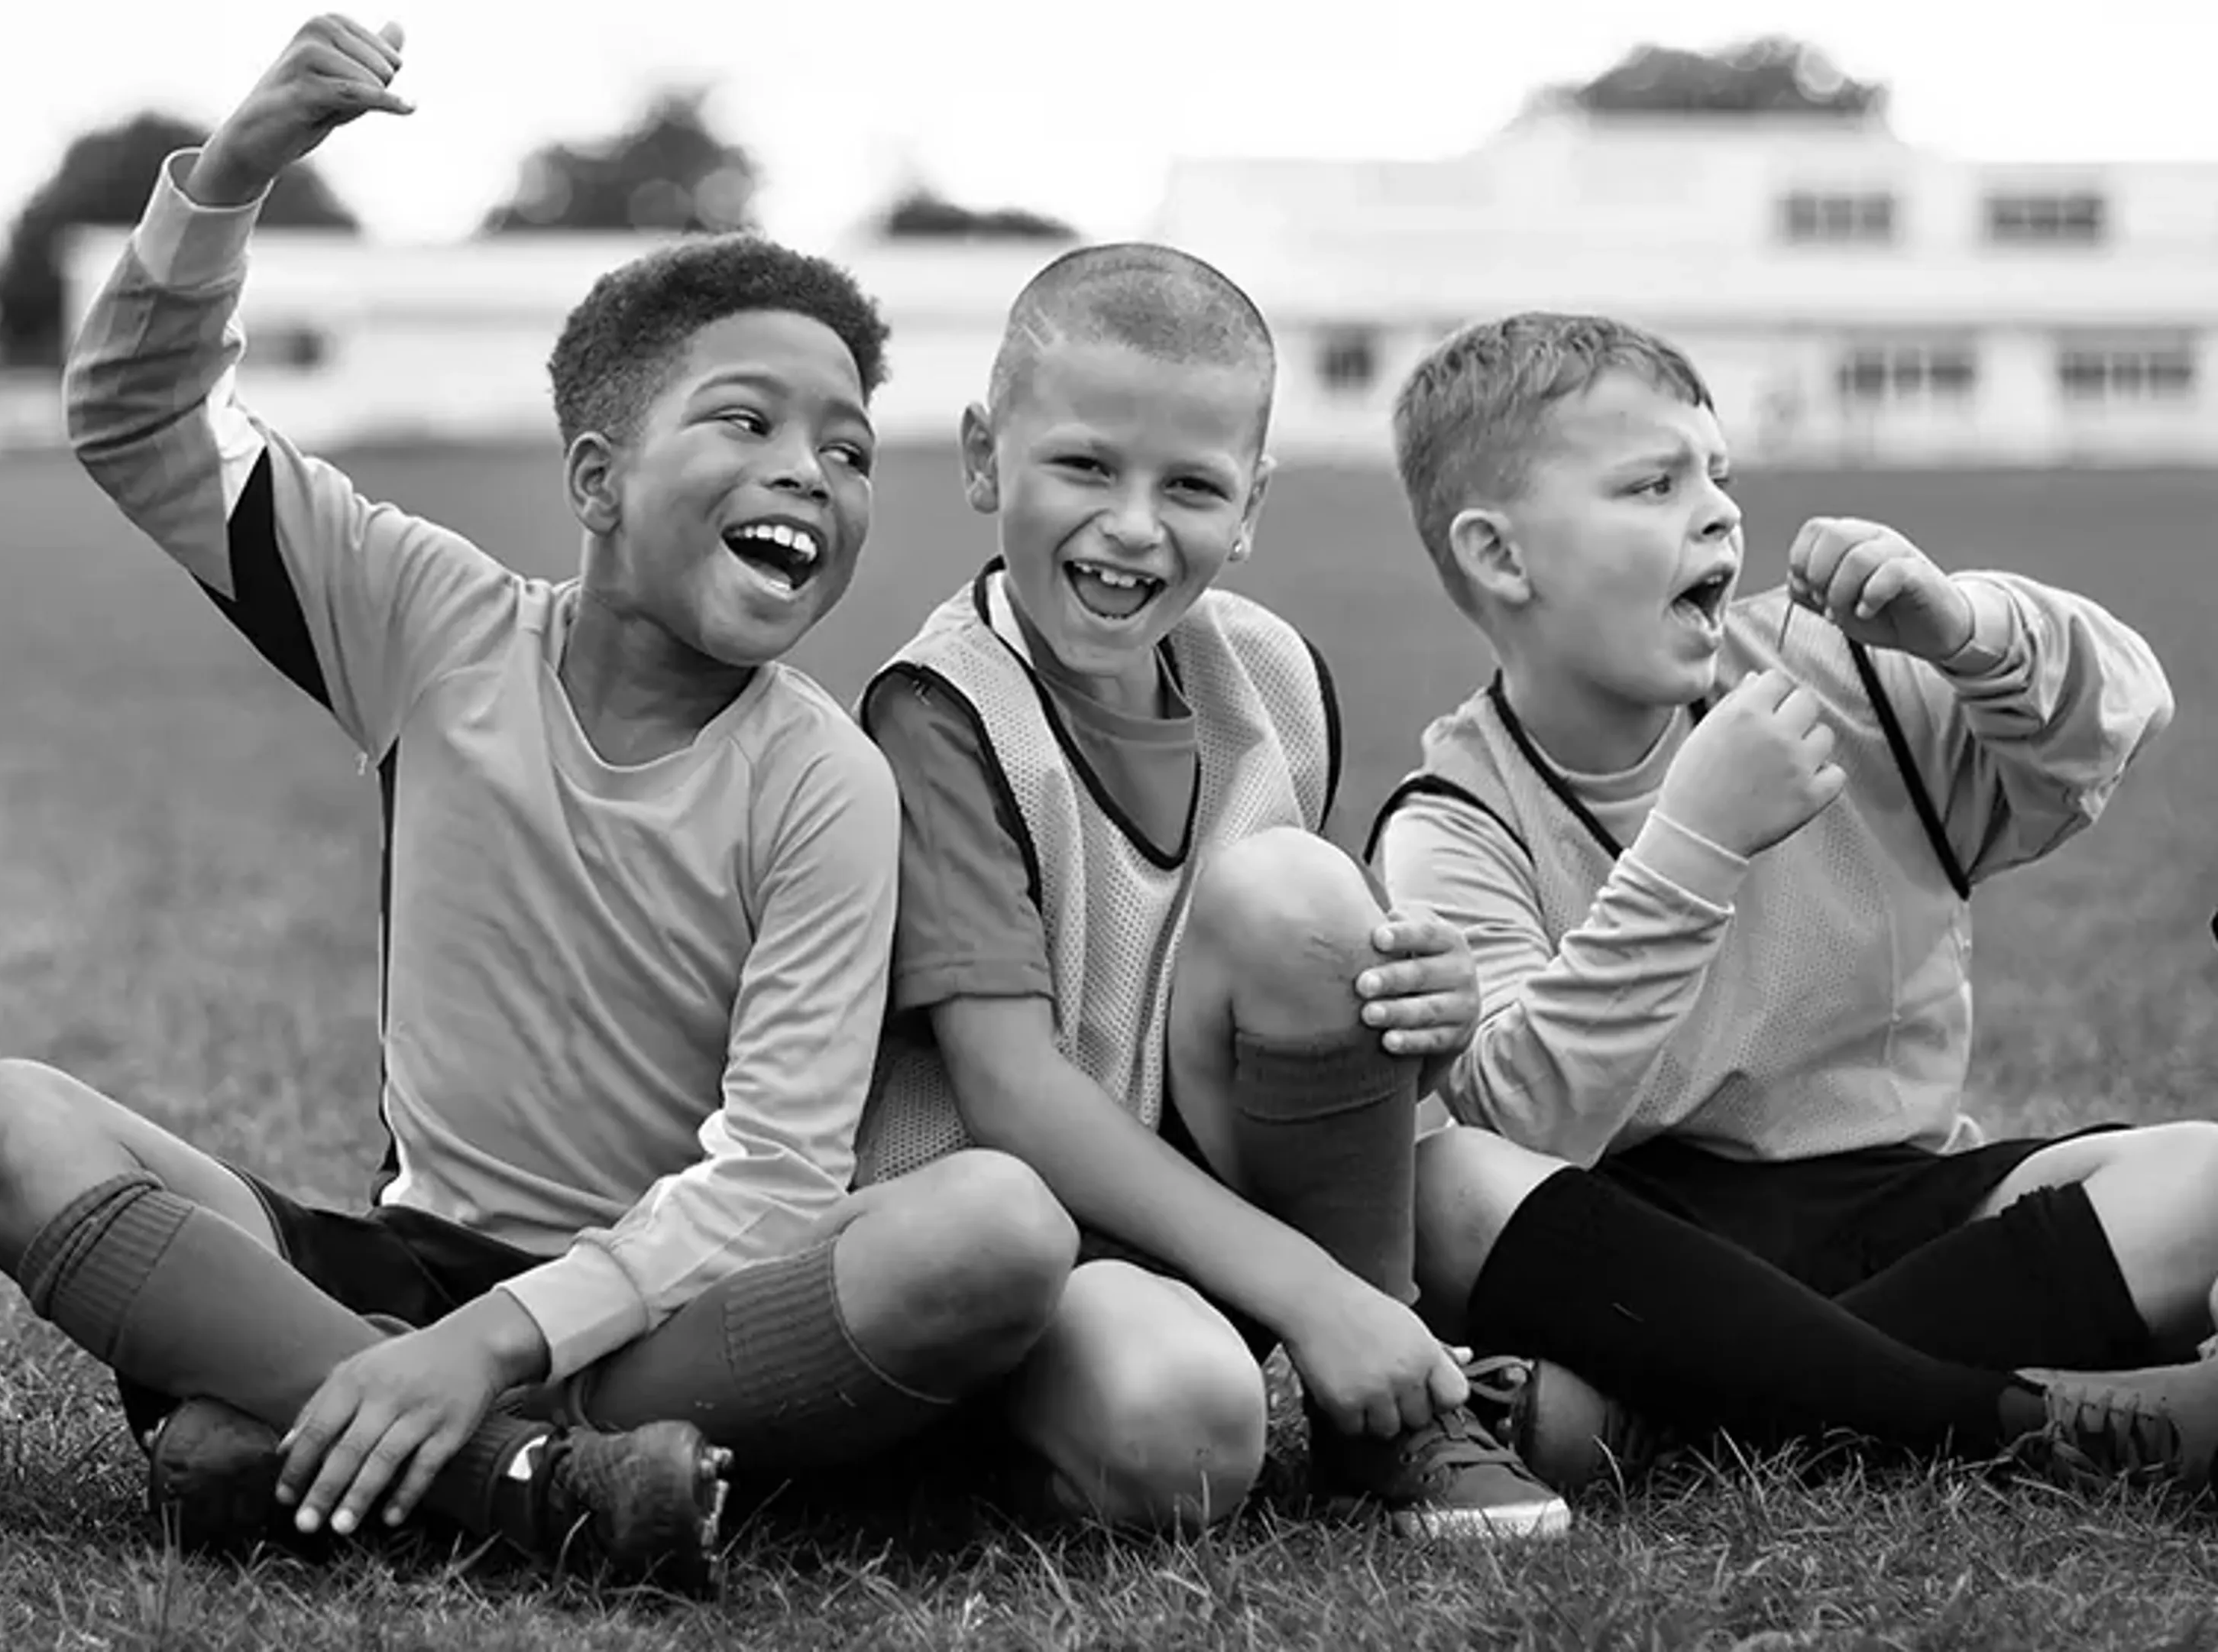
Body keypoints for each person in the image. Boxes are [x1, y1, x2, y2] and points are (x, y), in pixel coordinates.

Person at [0, 15, 1073, 1596]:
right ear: (596, 478)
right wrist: (239, 164)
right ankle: (521, 1479)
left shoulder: (827, 781)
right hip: (402, 1274)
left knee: (996, 1230)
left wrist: (491, 1347)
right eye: (748, 420)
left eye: (851, 448)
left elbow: (782, 1183)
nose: (812, 469)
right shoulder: (433, 623)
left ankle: (329, 1430)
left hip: (673, 1314)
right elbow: (134, 421)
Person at [1368, 309, 2218, 1497]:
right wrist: (1695, 844)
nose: (1717, 510)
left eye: (1718, 475)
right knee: (1446, 1182)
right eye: (1653, 483)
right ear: (1503, 558)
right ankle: (2005, 1419)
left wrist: (1962, 630)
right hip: (1644, 1248)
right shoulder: (1454, 819)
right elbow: (1528, 1123)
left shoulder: (1846, 671)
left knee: (2206, 1180)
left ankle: (1691, 1405)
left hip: (1902, 1201)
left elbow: (2116, 717)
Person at [850, 242, 1568, 1539]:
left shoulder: (1268, 673)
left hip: (1205, 1198)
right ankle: (993, 1438)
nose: (1133, 525)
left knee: (1306, 890)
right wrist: (1315, 1289)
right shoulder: (942, 714)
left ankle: (1389, 1422)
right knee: (1182, 1436)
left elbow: (1278, 971)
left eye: (1190, 485)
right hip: (1012, 1236)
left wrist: (1415, 1004)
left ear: (1250, 507)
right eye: (1083, 465)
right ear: (979, 458)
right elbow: (1009, 1090)